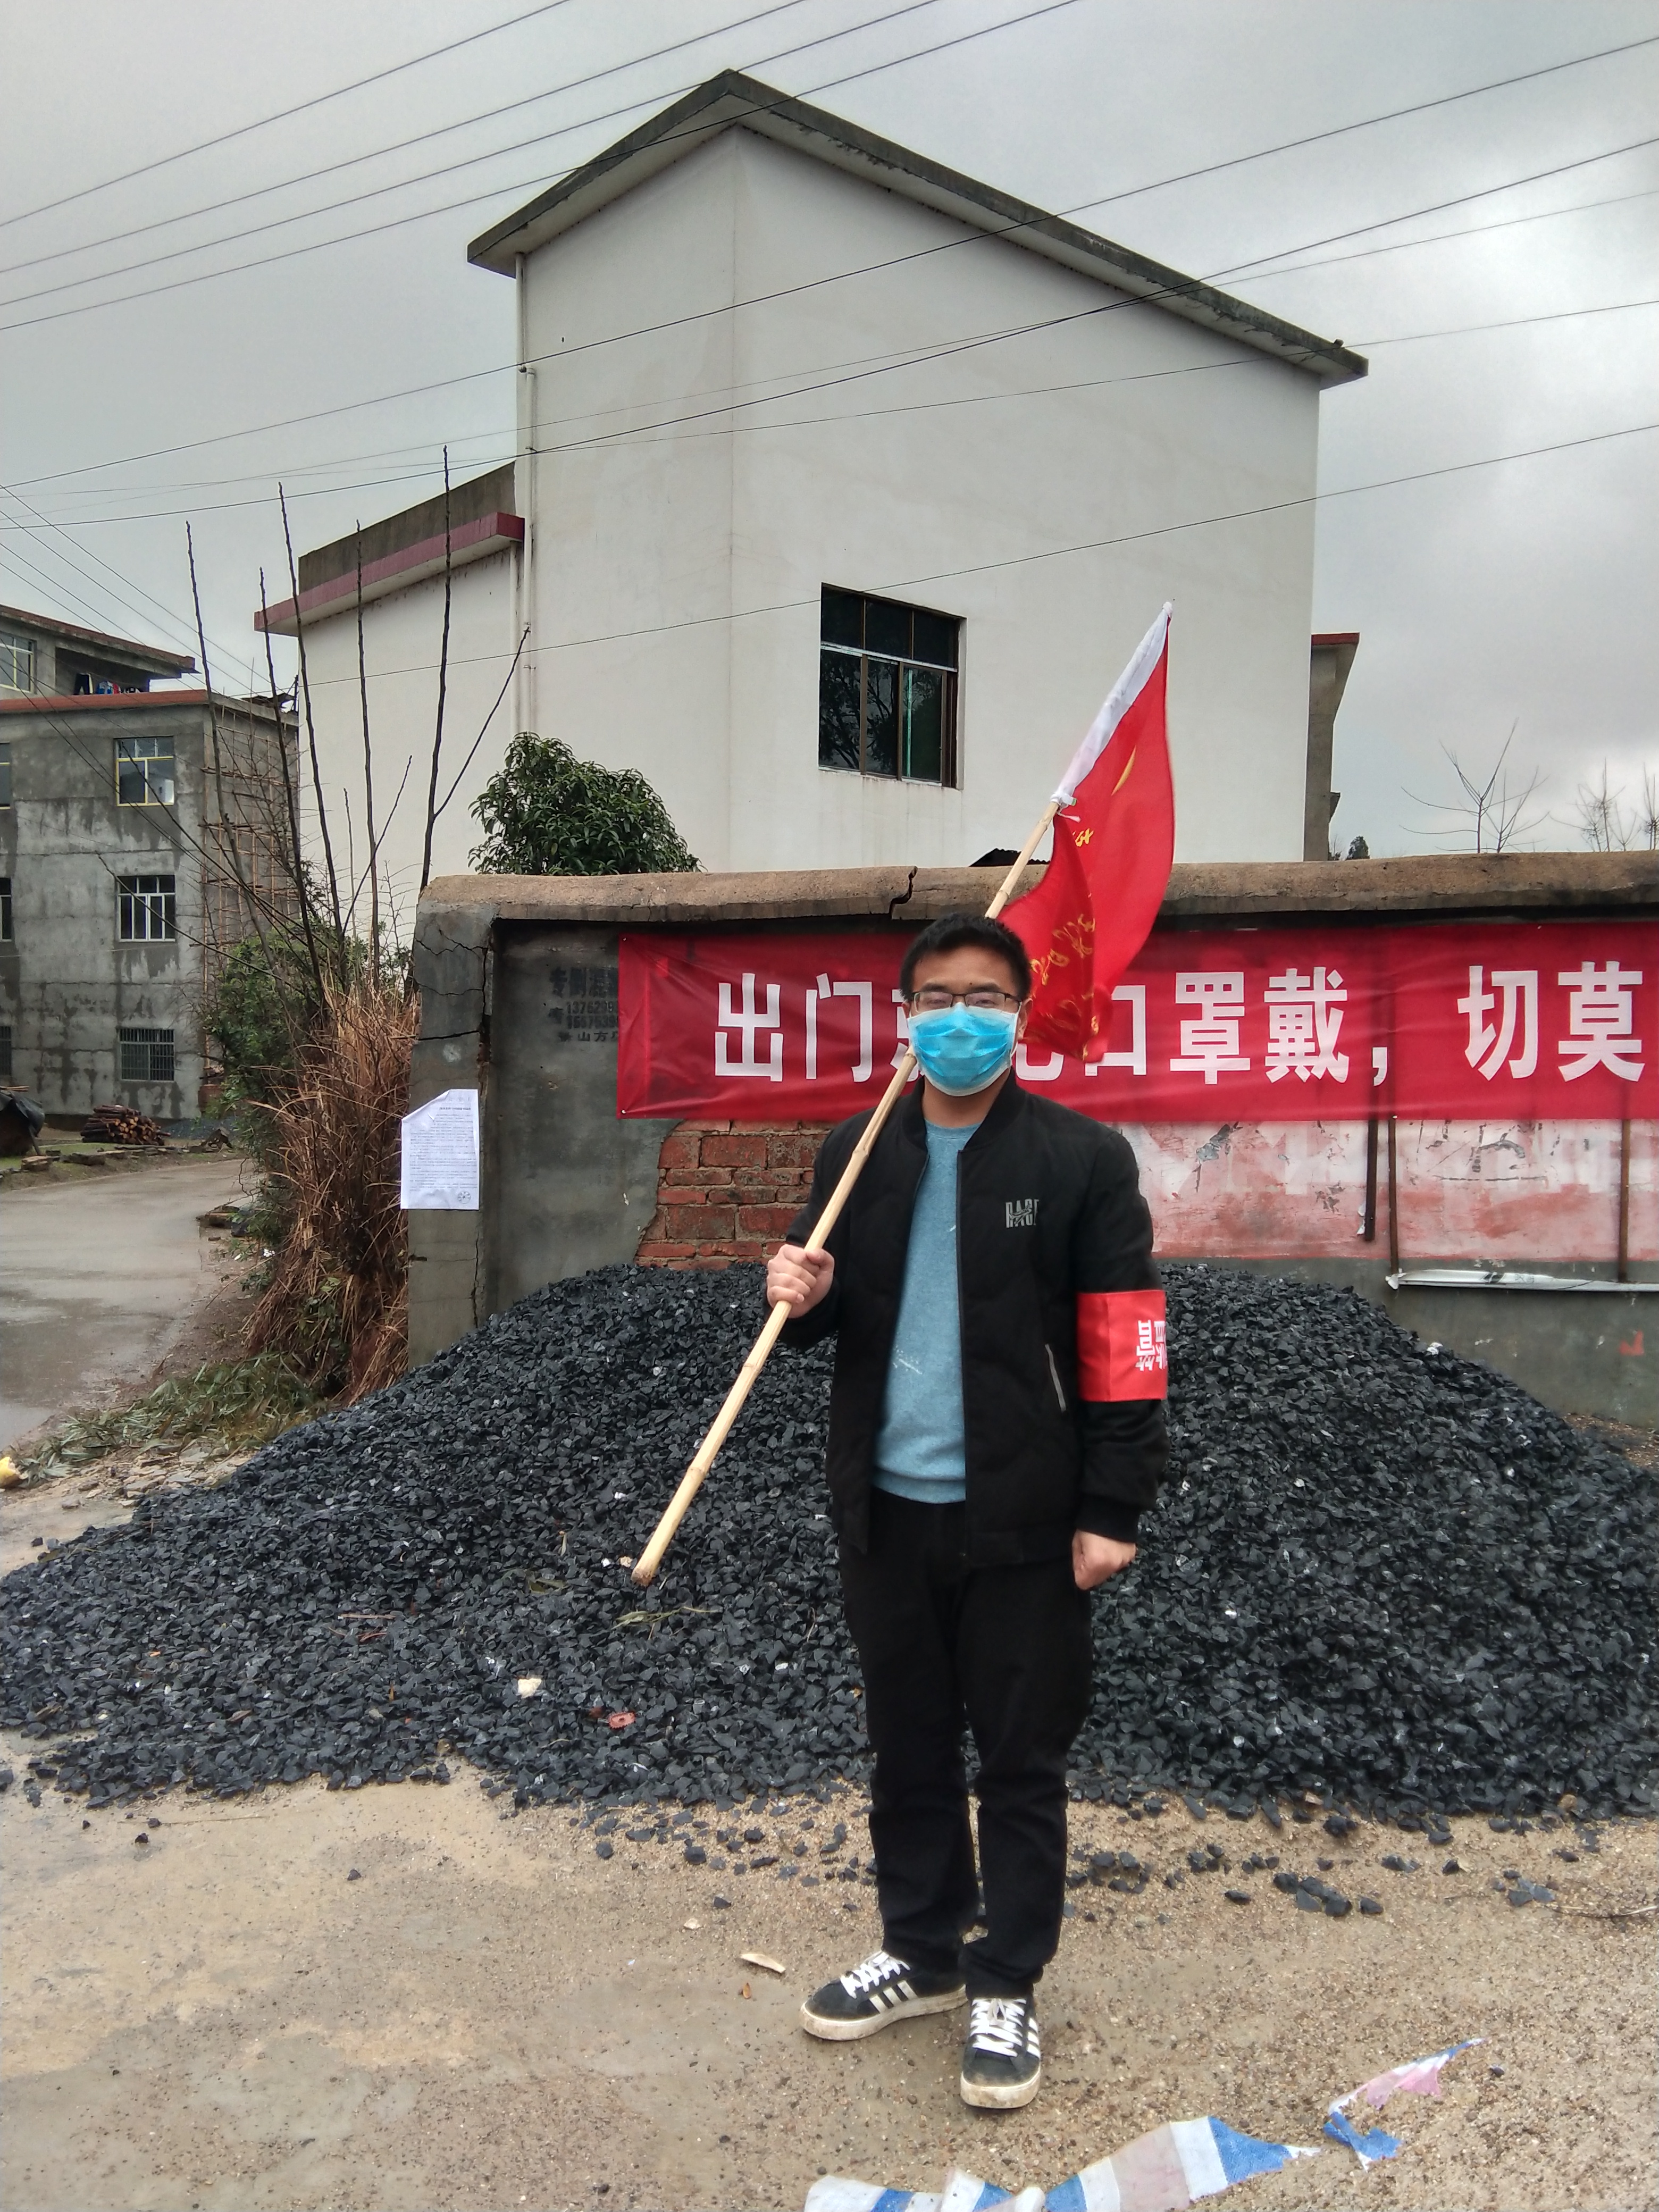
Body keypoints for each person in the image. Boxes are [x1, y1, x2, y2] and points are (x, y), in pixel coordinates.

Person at [766, 911, 1168, 2111]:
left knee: (1021, 1759)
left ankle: (1007, 1977)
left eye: (984, 997)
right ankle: (924, 1948)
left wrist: (1112, 1506)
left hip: (1027, 1520)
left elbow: (1127, 1346)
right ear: (904, 1018)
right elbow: (834, 1317)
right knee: (907, 1747)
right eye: (936, 997)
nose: (959, 1019)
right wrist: (802, 1294)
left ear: (1021, 1015)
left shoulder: (1080, 1160)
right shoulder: (858, 1152)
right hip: (887, 1507)